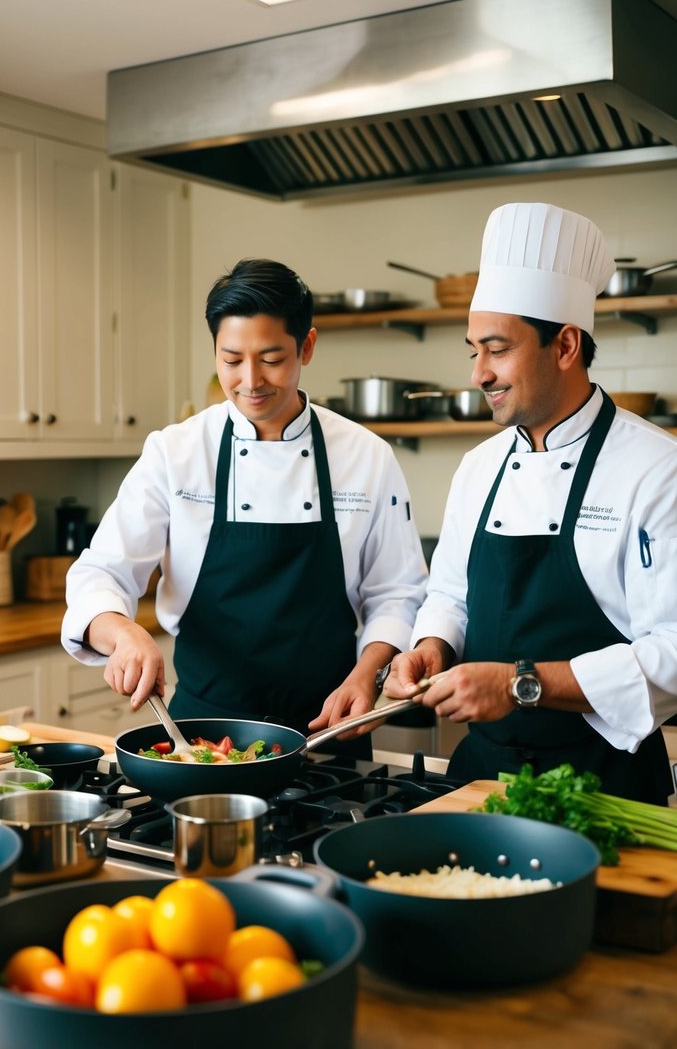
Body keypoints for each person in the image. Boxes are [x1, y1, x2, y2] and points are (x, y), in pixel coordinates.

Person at [62, 257, 428, 756]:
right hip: (201, 738)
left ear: (307, 347)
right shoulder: (177, 452)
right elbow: (100, 573)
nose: (250, 381)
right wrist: (124, 633)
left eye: (272, 359)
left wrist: (367, 674)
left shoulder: (366, 456)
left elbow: (398, 592)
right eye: (231, 360)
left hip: (327, 729)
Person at [383, 201, 677, 803]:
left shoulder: (657, 469)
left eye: (497, 349)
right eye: (473, 350)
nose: (479, 374)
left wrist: (522, 684)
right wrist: (431, 645)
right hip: (481, 778)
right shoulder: (480, 467)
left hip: (606, 785)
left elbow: (673, 652)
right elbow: (450, 595)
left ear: (565, 345)